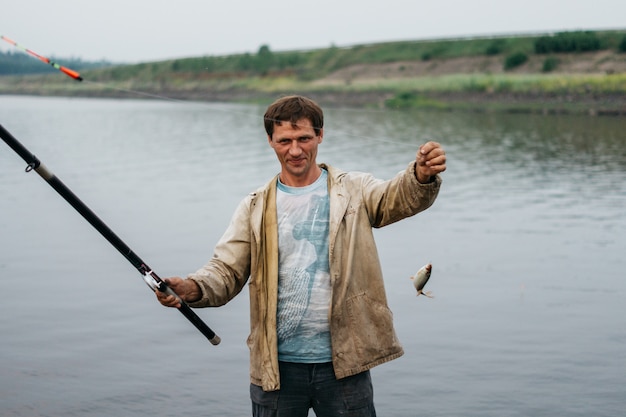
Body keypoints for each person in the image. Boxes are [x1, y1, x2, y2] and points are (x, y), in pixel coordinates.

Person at [156, 95, 446, 416]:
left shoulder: (354, 190)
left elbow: (397, 197)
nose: (295, 150)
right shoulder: (254, 206)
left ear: (320, 135)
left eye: (304, 138)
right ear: (271, 141)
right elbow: (225, 272)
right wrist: (189, 289)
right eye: (285, 141)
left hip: (345, 363)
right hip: (277, 367)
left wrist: (420, 175)